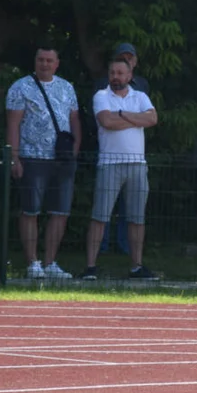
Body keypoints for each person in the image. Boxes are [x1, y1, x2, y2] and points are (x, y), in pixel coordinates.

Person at [6, 46, 81, 279]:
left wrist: (74, 151)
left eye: (49, 60)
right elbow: (13, 125)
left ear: (57, 63)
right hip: (31, 156)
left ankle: (50, 262)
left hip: (62, 159)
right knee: (30, 211)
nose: (45, 64)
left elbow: (74, 120)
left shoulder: (67, 87)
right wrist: (14, 158)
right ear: (35, 61)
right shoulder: (20, 87)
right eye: (41, 59)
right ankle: (33, 263)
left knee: (60, 211)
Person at [81, 56, 157, 280]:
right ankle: (91, 267)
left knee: (137, 218)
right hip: (109, 163)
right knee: (100, 216)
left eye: (120, 73)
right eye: (112, 72)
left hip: (137, 164)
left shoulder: (140, 96)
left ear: (129, 75)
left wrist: (122, 114)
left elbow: (152, 118)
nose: (116, 77)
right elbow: (107, 122)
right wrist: (136, 119)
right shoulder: (101, 96)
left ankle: (136, 266)